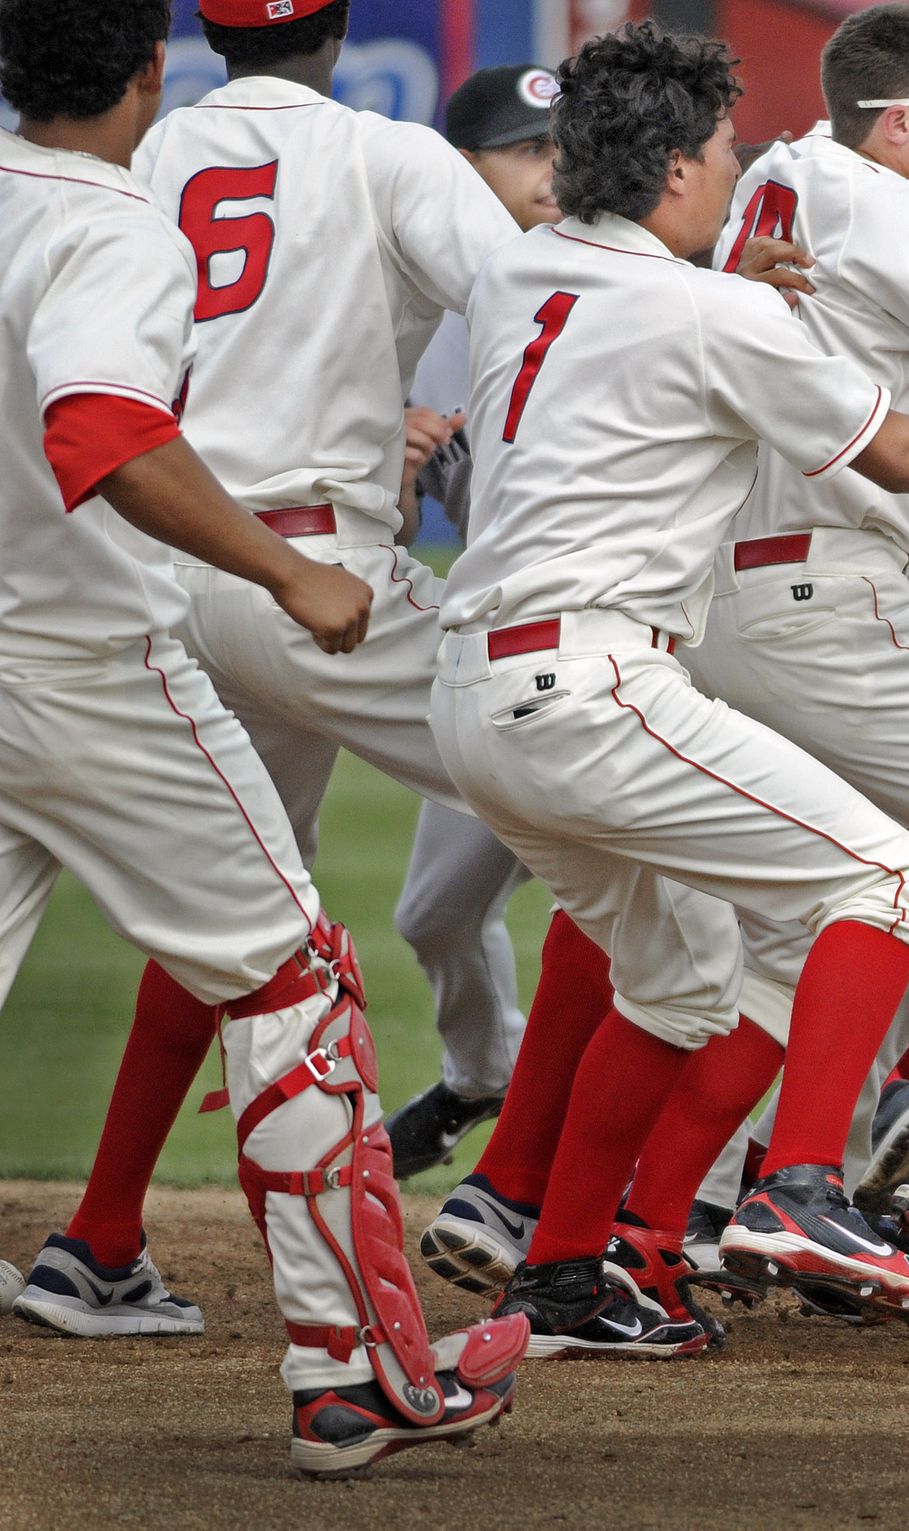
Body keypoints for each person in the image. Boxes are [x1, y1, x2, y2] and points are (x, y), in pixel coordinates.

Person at [428, 20, 909, 1354]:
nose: (734, 166)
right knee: (895, 882)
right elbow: (896, 449)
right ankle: (801, 1185)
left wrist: (727, 265)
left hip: (481, 691)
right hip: (611, 672)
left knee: (677, 979)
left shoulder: (519, 268)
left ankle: (572, 1268)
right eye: (715, 151)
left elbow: (651, 307)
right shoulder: (714, 302)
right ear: (670, 170)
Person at [0, 0, 519, 1475]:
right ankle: (355, 1370)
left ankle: (106, 1244)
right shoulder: (116, 222)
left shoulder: (114, 177)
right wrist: (290, 570)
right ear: (147, 62)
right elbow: (101, 433)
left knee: (243, 942)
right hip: (111, 653)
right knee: (297, 979)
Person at [384, 61, 567, 1178]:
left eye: (562, 147)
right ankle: (481, 1076)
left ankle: (709, 1168)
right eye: (525, 151)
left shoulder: (615, 274)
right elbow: (397, 526)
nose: (553, 172)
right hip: (496, 639)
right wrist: (388, 470)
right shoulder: (416, 313)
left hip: (639, 649)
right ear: (460, 171)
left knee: (658, 924)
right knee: (433, 915)